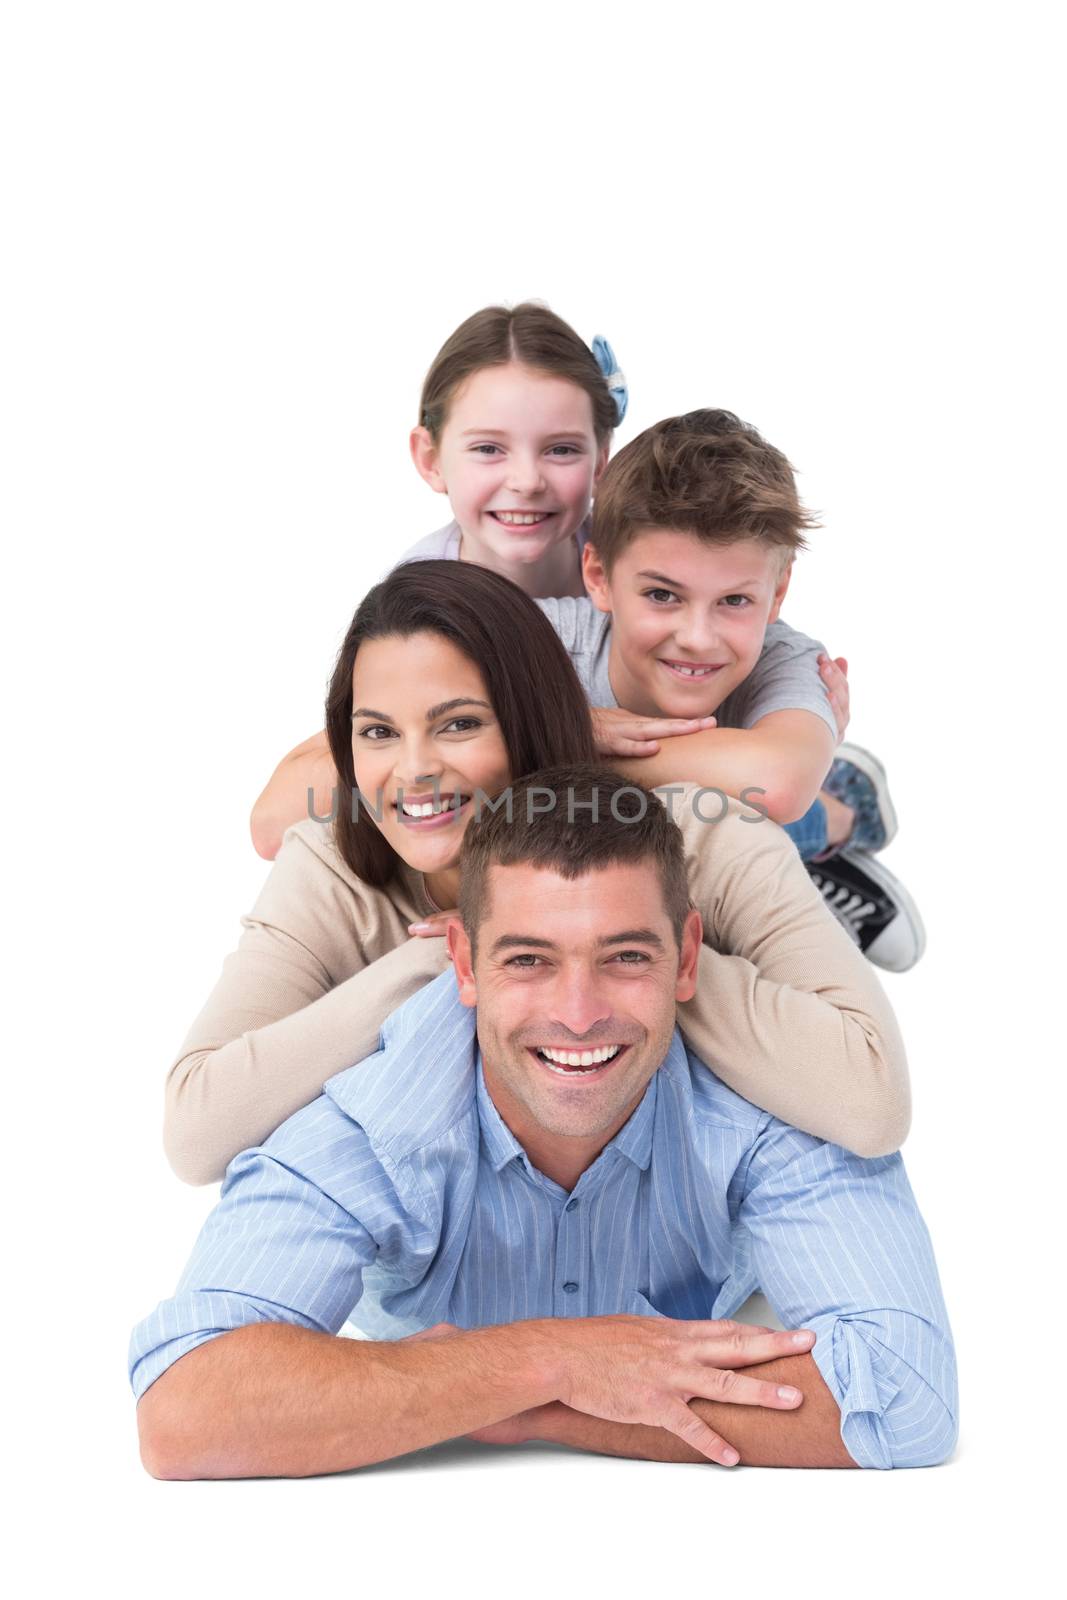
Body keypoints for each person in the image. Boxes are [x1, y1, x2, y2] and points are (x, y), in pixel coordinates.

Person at [132, 768, 956, 1479]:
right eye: (526, 959)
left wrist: (520, 1405)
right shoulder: (366, 1122)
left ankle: (829, 832)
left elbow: (904, 1396)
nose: (577, 1012)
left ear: (684, 958)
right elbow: (187, 1405)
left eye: (626, 956)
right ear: (460, 963)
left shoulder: (773, 1102)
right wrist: (553, 1359)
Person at [163, 563, 908, 1188]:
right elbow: (196, 1134)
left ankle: (839, 823)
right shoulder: (331, 864)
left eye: (459, 724)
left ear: (530, 723)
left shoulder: (702, 839)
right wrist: (438, 962)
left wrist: (631, 954)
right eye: (378, 733)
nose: (416, 770)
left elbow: (871, 1102)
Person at [250, 315, 915, 967]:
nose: (525, 480)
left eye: (560, 449)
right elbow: (313, 789)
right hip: (592, 833)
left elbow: (773, 778)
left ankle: (836, 819)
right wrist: (563, 731)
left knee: (715, 818)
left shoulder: (678, 558)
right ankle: (833, 817)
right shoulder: (439, 599)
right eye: (489, 448)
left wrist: (535, 740)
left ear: (600, 463)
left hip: (697, 817)